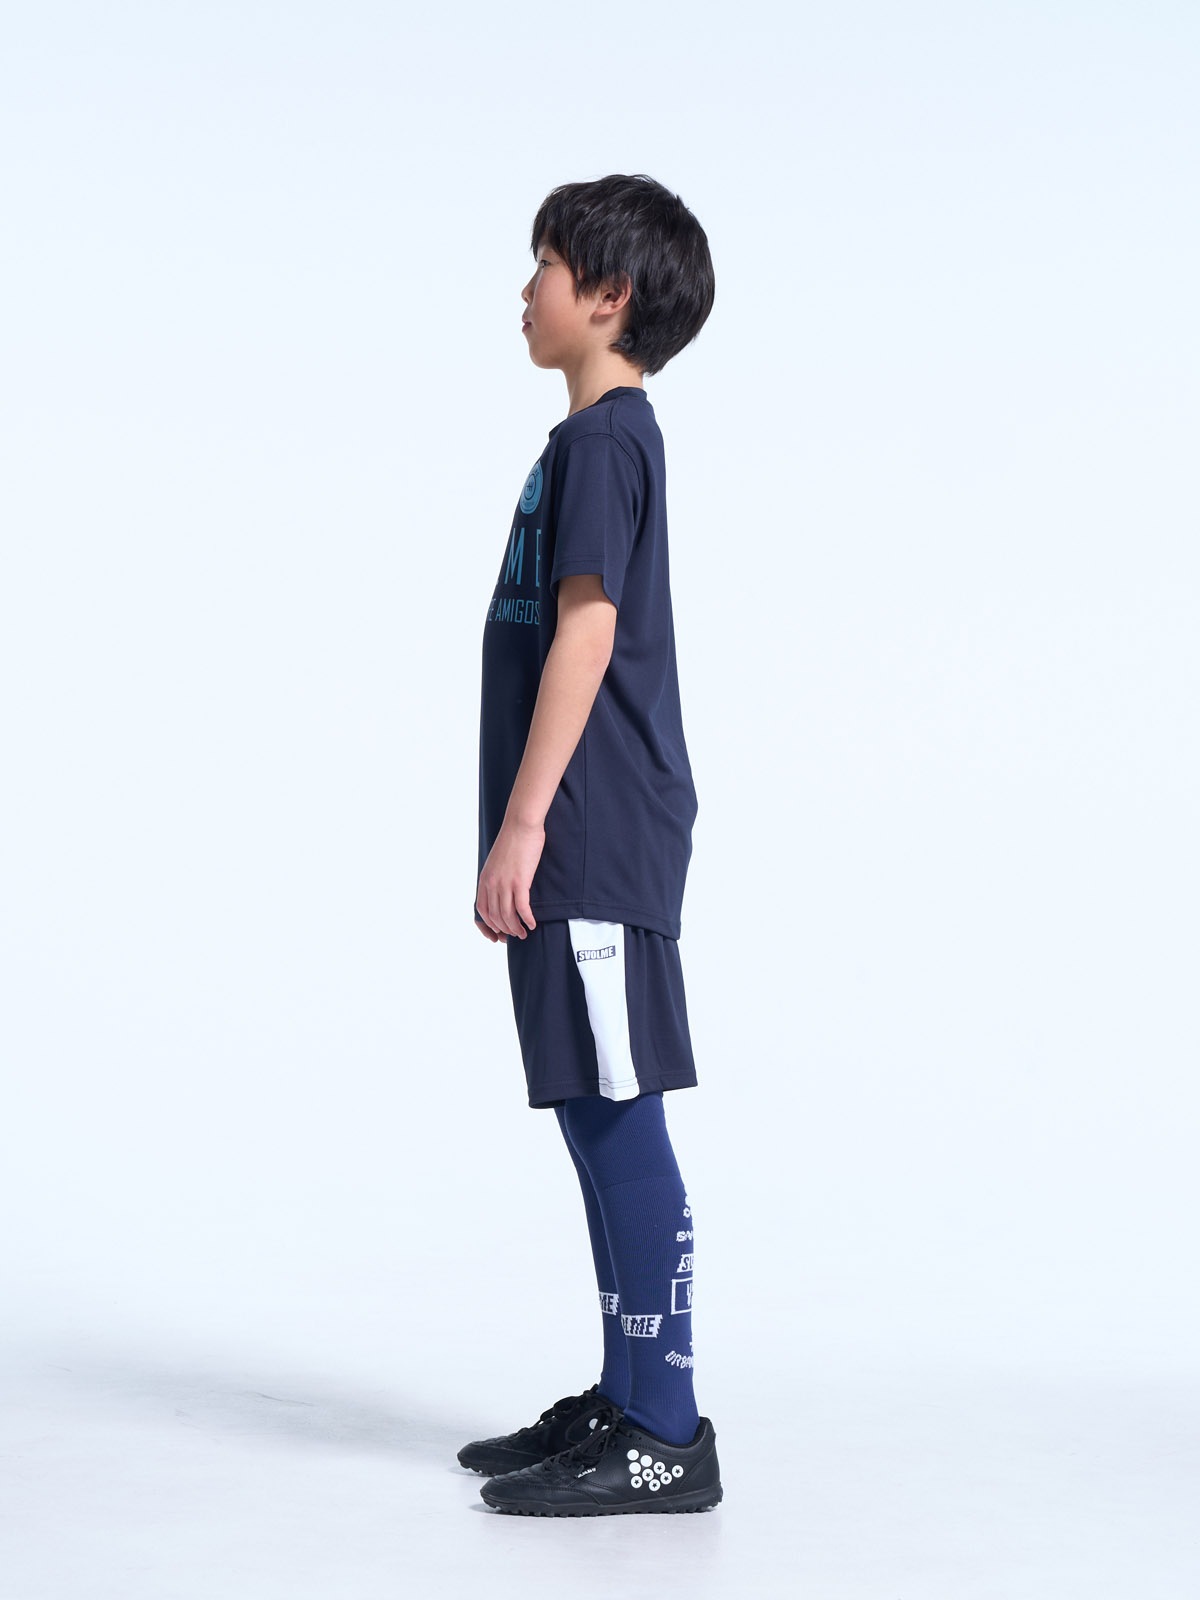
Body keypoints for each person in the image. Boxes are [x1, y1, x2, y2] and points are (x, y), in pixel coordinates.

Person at [462, 173, 721, 1517]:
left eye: (545, 268)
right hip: (583, 828)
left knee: (618, 1113)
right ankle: (628, 1399)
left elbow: (589, 628)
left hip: (594, 828)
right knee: (588, 1105)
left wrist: (524, 822)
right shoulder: (588, 442)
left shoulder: (607, 442)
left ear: (607, 296)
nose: (526, 292)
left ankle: (666, 1431)